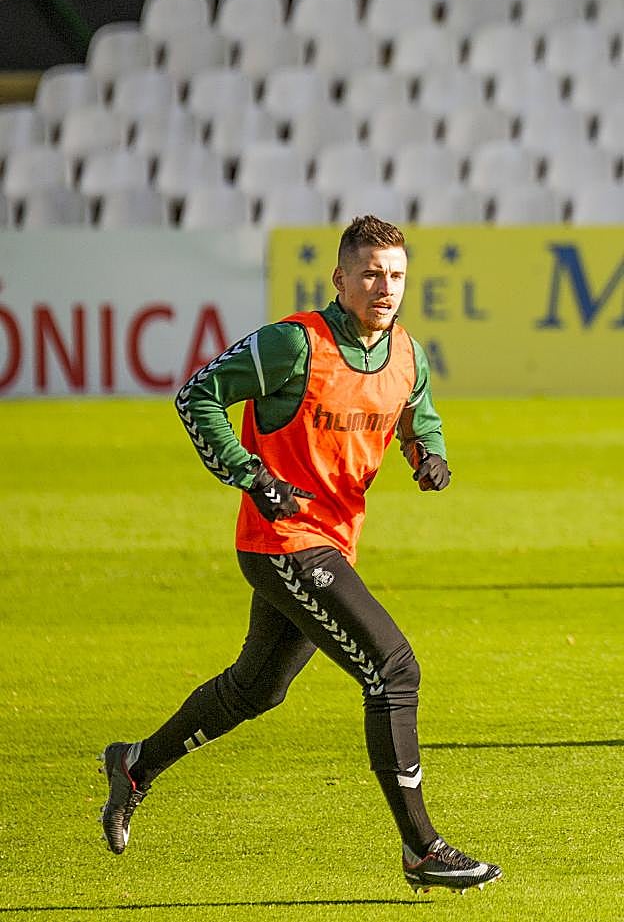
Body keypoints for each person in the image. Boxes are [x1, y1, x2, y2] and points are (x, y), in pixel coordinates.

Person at [99, 215, 502, 895]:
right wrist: (250, 473)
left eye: (396, 275)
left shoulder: (408, 352)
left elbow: (418, 412)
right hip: (282, 540)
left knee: (257, 688)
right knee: (393, 667)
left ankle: (134, 764)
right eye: (370, 273)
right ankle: (421, 847)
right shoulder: (294, 343)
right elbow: (197, 394)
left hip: (331, 541)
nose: (385, 287)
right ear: (339, 278)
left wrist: (427, 453)